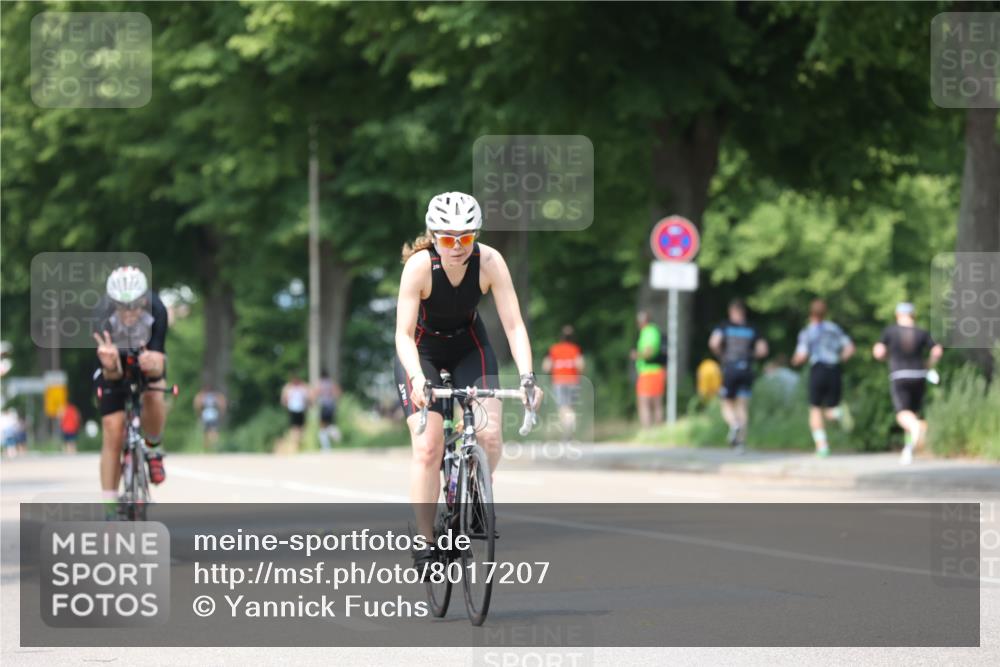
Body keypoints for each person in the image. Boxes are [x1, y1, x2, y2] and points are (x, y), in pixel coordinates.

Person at [394, 191, 543, 573]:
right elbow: (403, 335)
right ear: (433, 235)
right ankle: (425, 540)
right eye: (447, 239)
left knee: (490, 434)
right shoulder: (419, 267)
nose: (457, 248)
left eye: (465, 238)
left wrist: (527, 377)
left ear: (475, 235)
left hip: (469, 347)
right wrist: (415, 378)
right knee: (429, 446)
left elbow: (513, 324)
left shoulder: (490, 261)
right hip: (422, 353)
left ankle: (474, 496)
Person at [92, 266, 169, 506]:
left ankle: (153, 447)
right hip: (112, 364)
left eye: (134, 305)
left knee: (155, 395)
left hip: (145, 359)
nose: (128, 312)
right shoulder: (101, 315)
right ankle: (109, 508)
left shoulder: (157, 309)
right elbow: (110, 374)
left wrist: (152, 364)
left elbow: (159, 363)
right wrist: (111, 364)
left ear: (144, 299)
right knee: (112, 428)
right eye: (121, 306)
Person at [872, 302, 943, 465]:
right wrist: (929, 364)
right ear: (913, 315)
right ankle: (908, 451)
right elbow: (937, 350)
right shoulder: (922, 332)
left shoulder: (890, 331)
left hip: (900, 375)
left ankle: (917, 427)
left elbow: (879, 351)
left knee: (903, 414)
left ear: (898, 315)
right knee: (912, 413)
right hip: (919, 375)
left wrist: (883, 358)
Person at [791, 299, 855, 457]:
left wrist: (795, 360)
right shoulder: (834, 329)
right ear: (825, 313)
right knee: (831, 409)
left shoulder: (808, 332)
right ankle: (838, 412)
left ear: (811, 314)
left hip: (818, 369)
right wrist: (841, 358)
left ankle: (822, 447)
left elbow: (802, 355)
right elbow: (850, 348)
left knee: (815, 409)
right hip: (834, 370)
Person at [708, 299, 768, 453]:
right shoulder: (752, 328)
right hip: (747, 369)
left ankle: (733, 424)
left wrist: (721, 355)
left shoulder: (724, 326)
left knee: (726, 403)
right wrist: (751, 355)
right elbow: (763, 350)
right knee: (742, 406)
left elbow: (714, 343)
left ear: (731, 312)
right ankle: (740, 443)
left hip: (730, 368)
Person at [542, 324, 584, 438]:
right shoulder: (575, 349)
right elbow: (580, 365)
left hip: (559, 381)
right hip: (573, 381)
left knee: (562, 407)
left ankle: (568, 427)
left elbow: (546, 366)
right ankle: (570, 424)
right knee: (570, 406)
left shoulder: (554, 349)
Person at [631, 311, 664, 427]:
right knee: (654, 402)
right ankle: (656, 431)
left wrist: (637, 355)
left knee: (646, 402)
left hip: (650, 372)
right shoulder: (651, 331)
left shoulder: (649, 332)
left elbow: (649, 351)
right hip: (652, 371)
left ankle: (648, 430)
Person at [280, 374, 311, 452]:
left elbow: (308, 397)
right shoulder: (289, 388)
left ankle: (298, 443)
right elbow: (284, 399)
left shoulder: (302, 387)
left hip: (301, 409)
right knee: (294, 428)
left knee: (301, 427)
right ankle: (295, 444)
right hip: (293, 409)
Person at [313, 370, 342, 450]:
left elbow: (315, 393)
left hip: (324, 405)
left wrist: (314, 402)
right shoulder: (331, 383)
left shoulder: (320, 383)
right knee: (329, 423)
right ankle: (334, 431)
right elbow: (338, 392)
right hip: (331, 405)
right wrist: (336, 401)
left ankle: (326, 446)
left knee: (322, 426)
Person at [193, 386, 226, 451]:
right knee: (214, 430)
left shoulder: (202, 396)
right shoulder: (216, 396)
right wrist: (221, 413)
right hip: (214, 414)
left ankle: (207, 448)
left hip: (206, 415)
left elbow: (197, 404)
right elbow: (222, 404)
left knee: (206, 432)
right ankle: (214, 446)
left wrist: (199, 413)